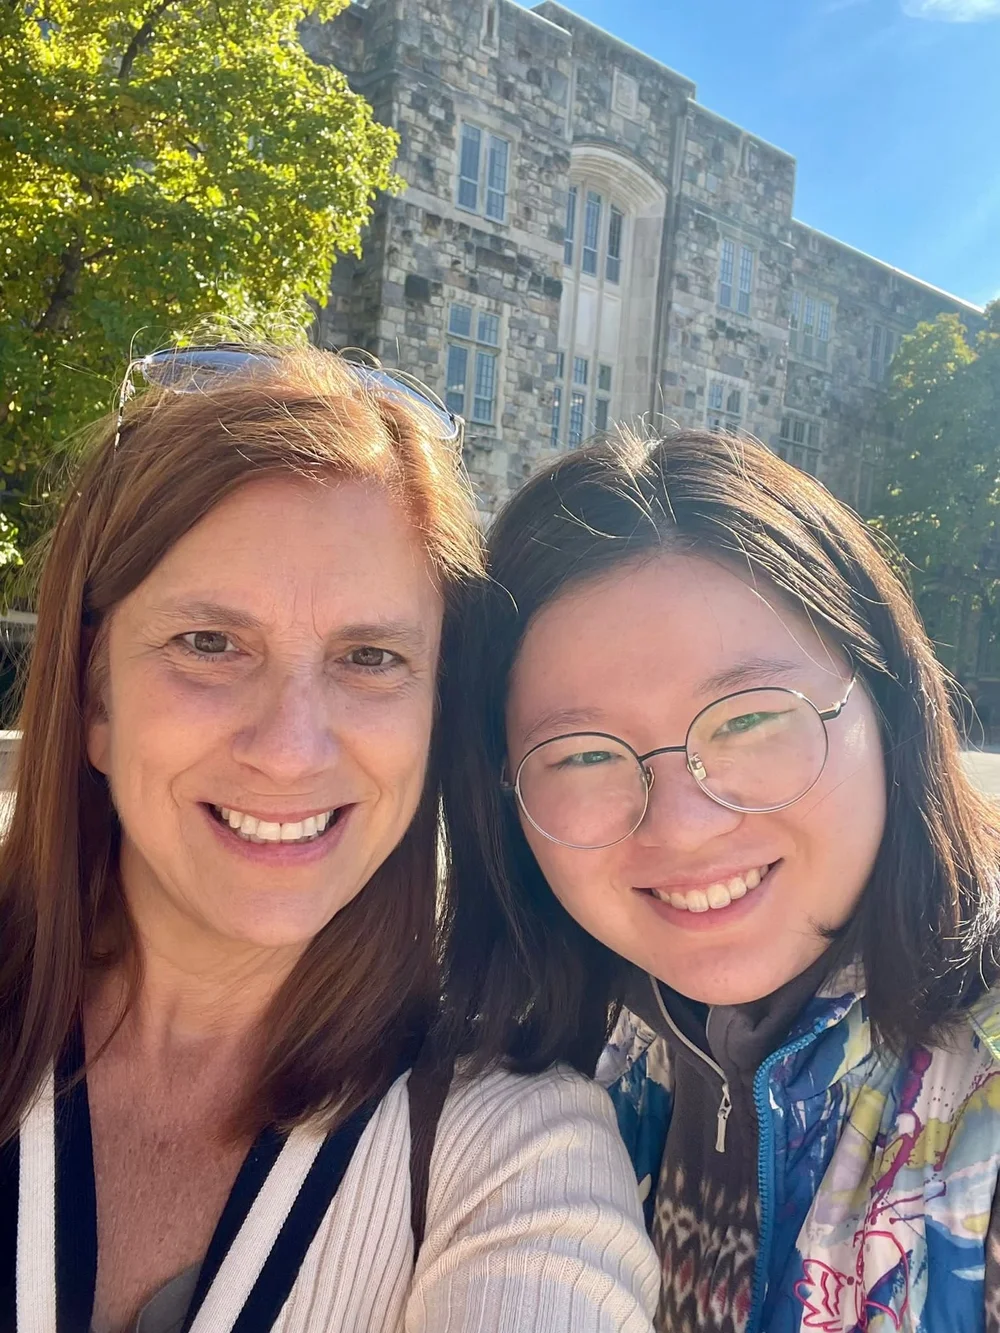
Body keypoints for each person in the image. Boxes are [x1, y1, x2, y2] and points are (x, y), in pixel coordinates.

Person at [0, 345, 658, 1333]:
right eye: (210, 643)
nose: (290, 748)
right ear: (96, 697)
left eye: (369, 656)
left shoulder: (512, 1151)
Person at [440, 427, 1000, 1333]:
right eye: (583, 753)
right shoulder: (492, 1062)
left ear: (887, 702)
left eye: (747, 721)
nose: (684, 824)